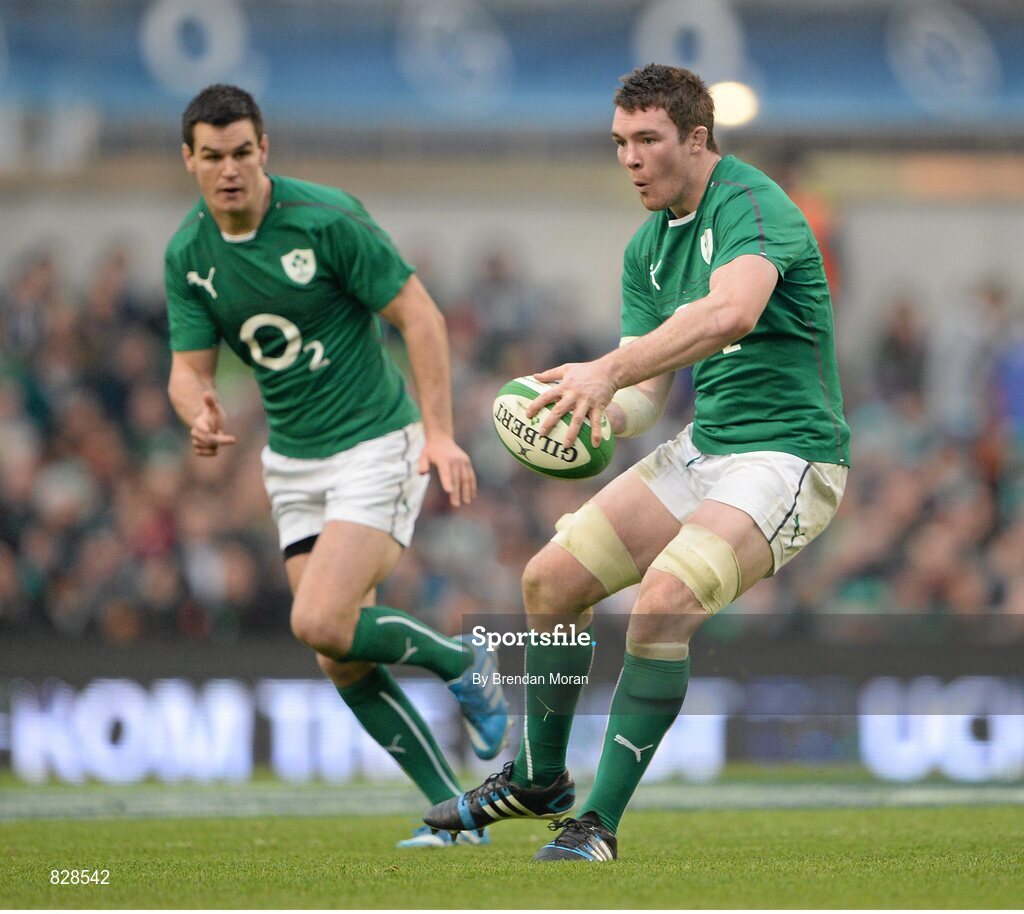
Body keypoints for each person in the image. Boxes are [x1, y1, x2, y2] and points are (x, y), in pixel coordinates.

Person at [424, 64, 850, 861]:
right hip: (707, 448)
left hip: (791, 456)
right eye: (619, 142)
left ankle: (598, 826)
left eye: (647, 140)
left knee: (662, 604)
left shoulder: (753, 203)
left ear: (696, 139)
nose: (630, 158)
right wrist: (582, 414)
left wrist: (605, 372)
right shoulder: (646, 249)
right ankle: (539, 780)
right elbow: (645, 398)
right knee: (549, 581)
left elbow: (734, 311)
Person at [164, 84, 510, 848]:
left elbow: (419, 315)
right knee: (335, 652)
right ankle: (453, 819)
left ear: (265, 152)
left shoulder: (326, 220)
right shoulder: (190, 256)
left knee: (319, 617)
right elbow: (187, 369)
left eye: (243, 153)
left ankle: (463, 659)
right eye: (213, 156)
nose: (230, 171)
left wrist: (441, 435)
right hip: (292, 461)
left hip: (376, 443)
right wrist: (197, 408)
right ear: (189, 160)